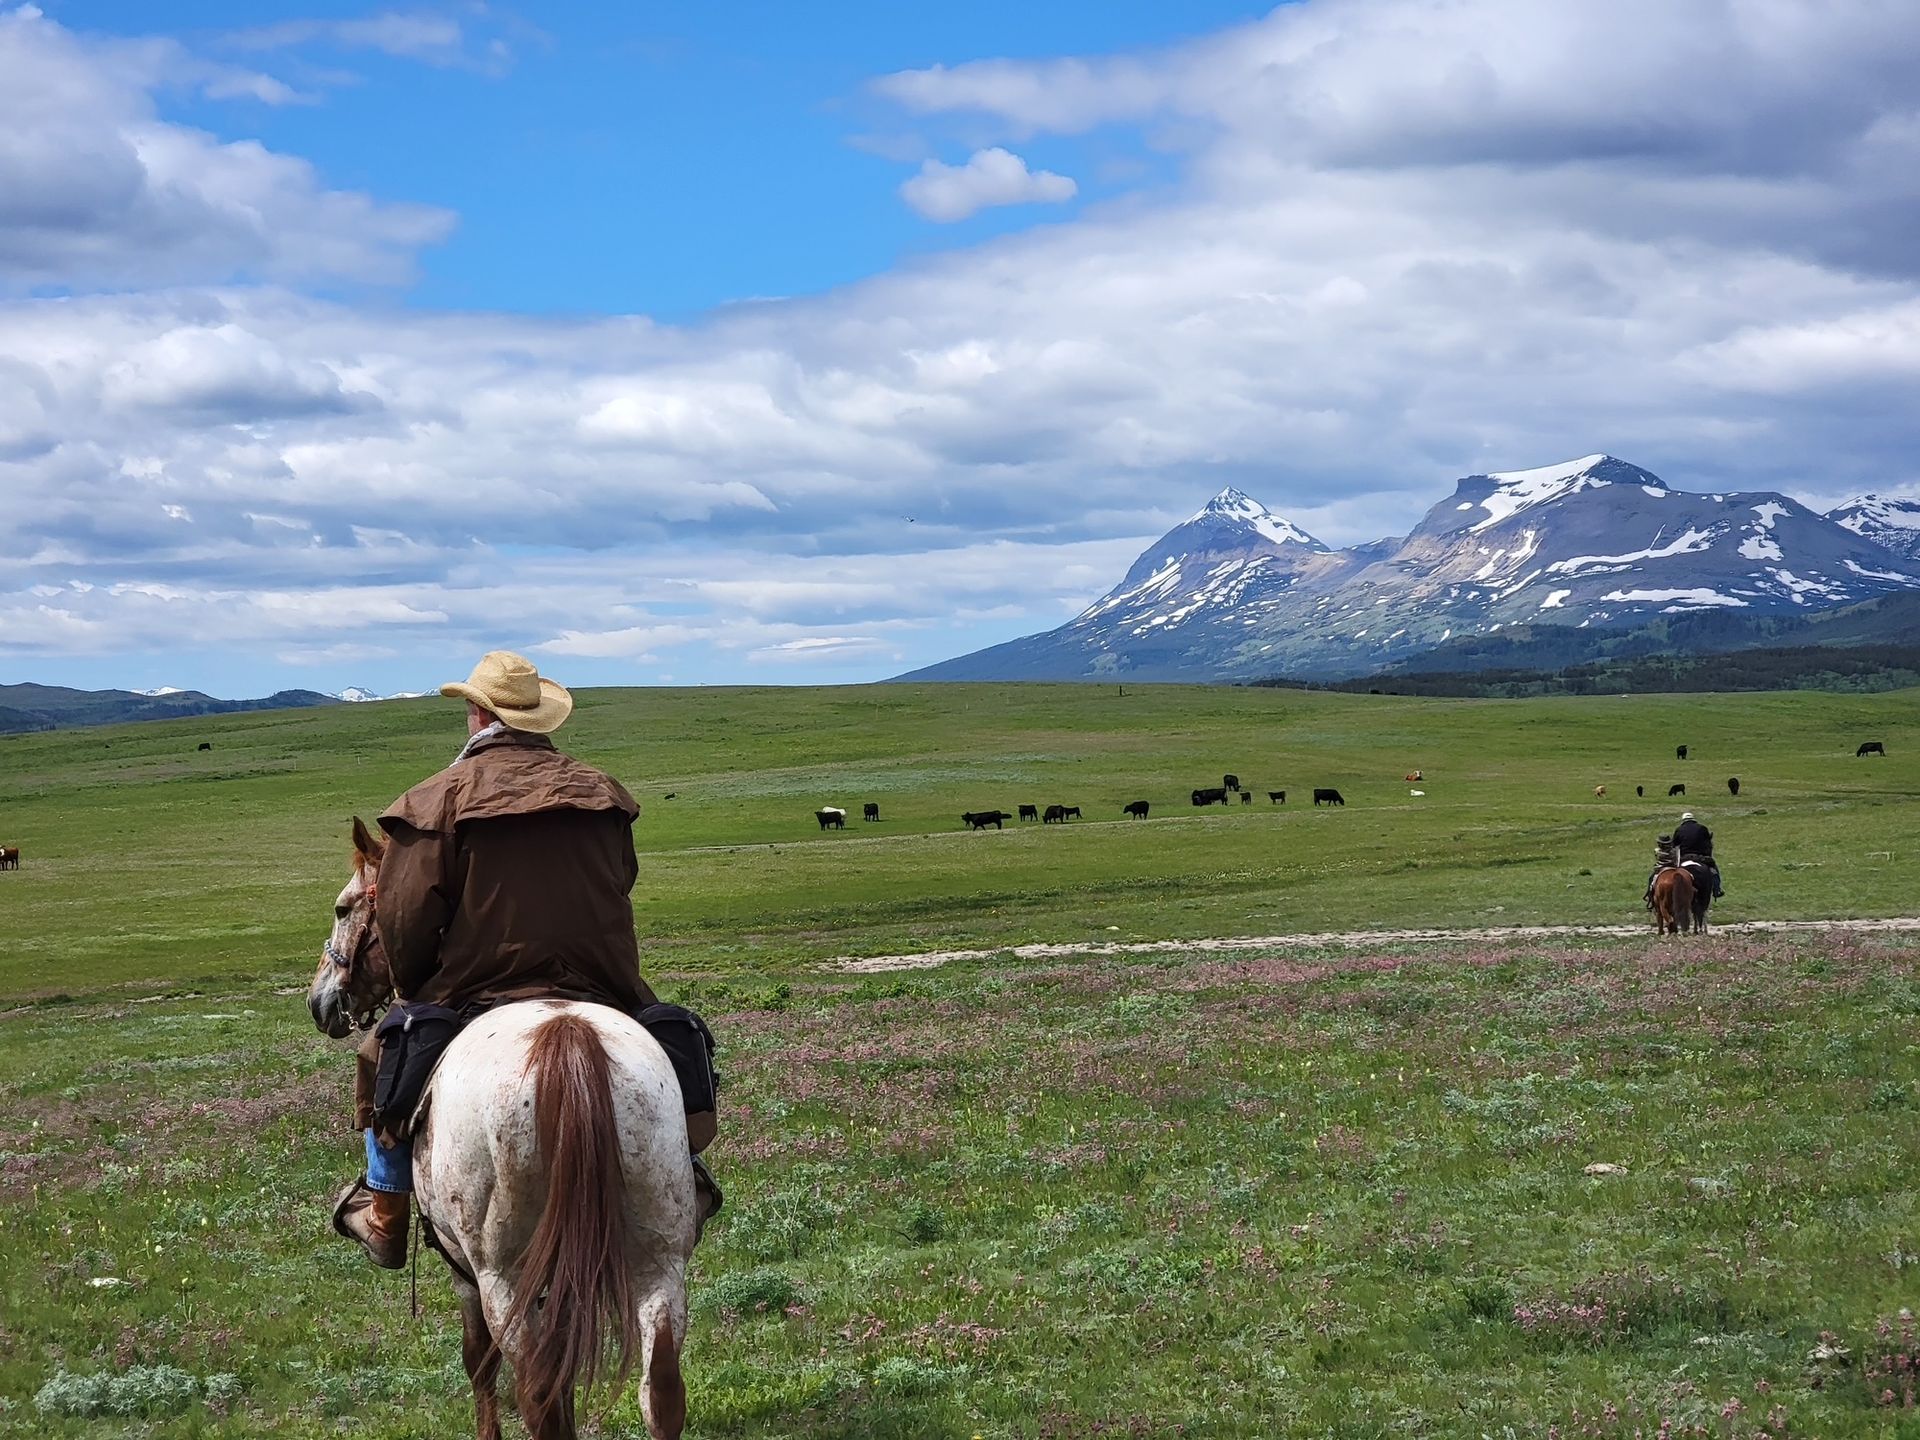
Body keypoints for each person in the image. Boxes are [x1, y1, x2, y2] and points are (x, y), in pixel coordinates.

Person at [331, 650, 721, 1268]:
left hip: (479, 982)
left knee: (382, 1055)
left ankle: (386, 1211)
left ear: (477, 713)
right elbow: (622, 880)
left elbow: (404, 918)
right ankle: (686, 1171)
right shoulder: (603, 794)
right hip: (601, 978)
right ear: (538, 718)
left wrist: (419, 987)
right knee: (670, 1046)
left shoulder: (434, 801)